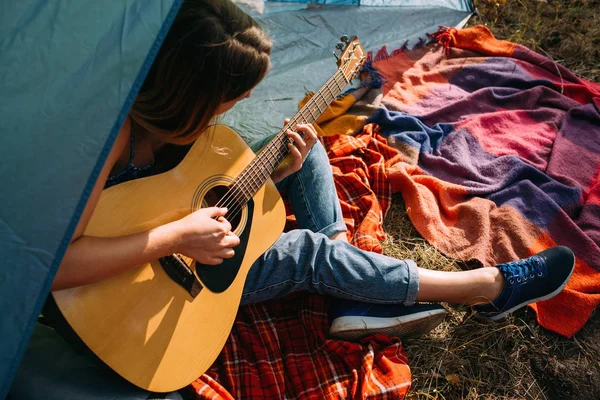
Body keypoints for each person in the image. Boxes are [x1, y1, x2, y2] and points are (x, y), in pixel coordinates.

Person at [10, 0, 575, 398]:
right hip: (144, 283)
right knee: (306, 250)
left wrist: (278, 172)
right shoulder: (103, 142)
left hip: (177, 230)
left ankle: (351, 289)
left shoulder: (160, 119)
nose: (229, 113)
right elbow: (49, 266)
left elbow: (179, 190)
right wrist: (177, 237)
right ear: (188, 90)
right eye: (227, 101)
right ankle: (486, 287)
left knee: (306, 154)